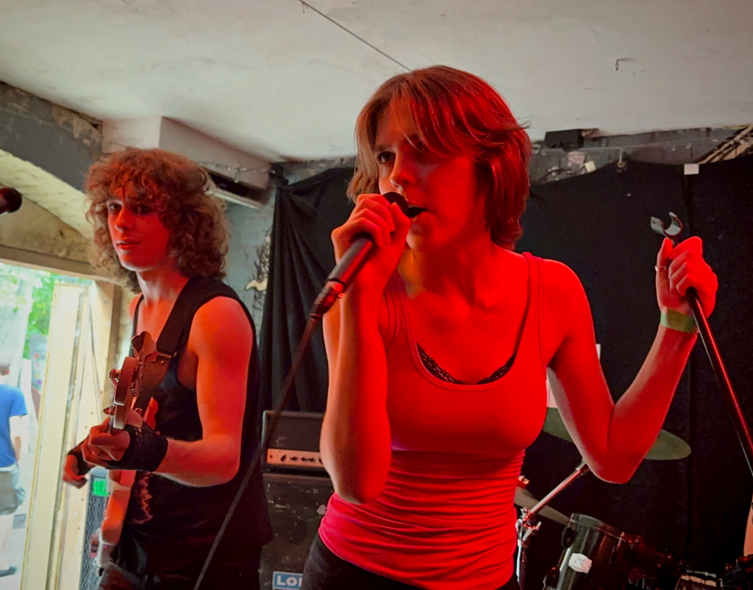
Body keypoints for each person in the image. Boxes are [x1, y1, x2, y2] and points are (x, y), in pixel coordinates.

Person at [301, 65, 718, 590]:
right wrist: (360, 299)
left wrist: (678, 325)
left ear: (491, 165)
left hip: (486, 579)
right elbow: (356, 483)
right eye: (385, 157)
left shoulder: (552, 290)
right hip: (354, 574)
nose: (397, 176)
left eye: (422, 150)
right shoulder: (359, 291)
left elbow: (612, 458)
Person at [61, 148, 272, 590]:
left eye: (141, 208)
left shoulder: (215, 314)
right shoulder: (139, 306)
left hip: (202, 561)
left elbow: (223, 459)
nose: (121, 222)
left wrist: (144, 452)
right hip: (136, 549)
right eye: (113, 207)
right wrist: (89, 451)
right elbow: (139, 418)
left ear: (182, 223)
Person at [0, 358, 28, 578]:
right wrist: (17, 456)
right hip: (4, 464)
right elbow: (16, 433)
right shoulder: (13, 394)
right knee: (5, 511)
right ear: (8, 371)